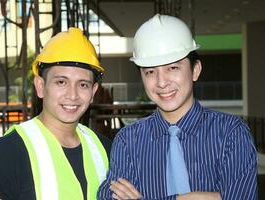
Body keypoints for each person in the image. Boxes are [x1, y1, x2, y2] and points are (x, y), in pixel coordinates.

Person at [98, 14, 258, 199]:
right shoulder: (128, 140)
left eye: (172, 68)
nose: (161, 82)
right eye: (150, 72)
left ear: (195, 70)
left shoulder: (231, 134)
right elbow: (107, 195)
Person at [0, 27, 112, 200]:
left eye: (83, 84)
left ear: (93, 92)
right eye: (61, 82)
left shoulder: (105, 150)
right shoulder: (8, 153)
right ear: (40, 86)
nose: (72, 95)